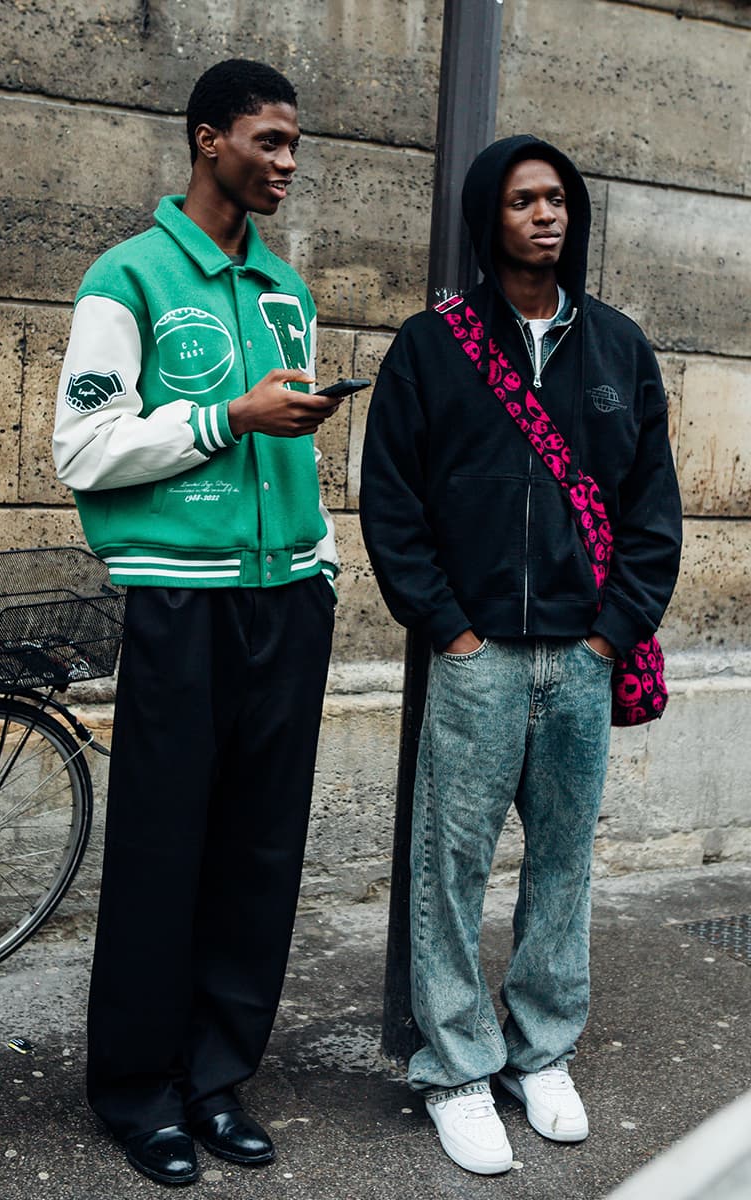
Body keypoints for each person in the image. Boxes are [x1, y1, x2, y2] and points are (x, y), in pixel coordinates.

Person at [360, 135, 681, 1175]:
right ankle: (456, 1068)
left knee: (560, 867)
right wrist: (446, 626)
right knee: (449, 871)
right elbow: (393, 506)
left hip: (579, 659)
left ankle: (538, 1052)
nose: (543, 216)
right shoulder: (431, 347)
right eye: (520, 201)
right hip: (476, 655)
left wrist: (607, 634)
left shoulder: (619, 350)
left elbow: (651, 514)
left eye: (555, 200)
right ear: (485, 219)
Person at [53, 58, 343, 1187]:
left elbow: (286, 436)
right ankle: (137, 1092)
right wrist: (229, 416)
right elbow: (84, 450)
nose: (284, 164)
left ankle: (215, 1079)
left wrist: (316, 553)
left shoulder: (286, 291)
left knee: (258, 855)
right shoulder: (123, 278)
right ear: (206, 138)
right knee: (162, 852)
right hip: (182, 603)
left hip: (288, 597)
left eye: (293, 147)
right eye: (267, 141)